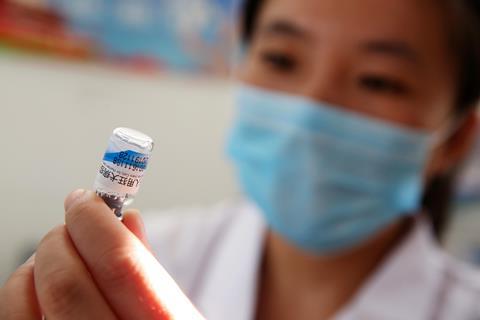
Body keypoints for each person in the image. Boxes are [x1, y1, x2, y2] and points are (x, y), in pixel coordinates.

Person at [1, 0, 480, 319]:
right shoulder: (145, 258)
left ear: (456, 138)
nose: (307, 113)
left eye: (379, 81)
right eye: (281, 60)